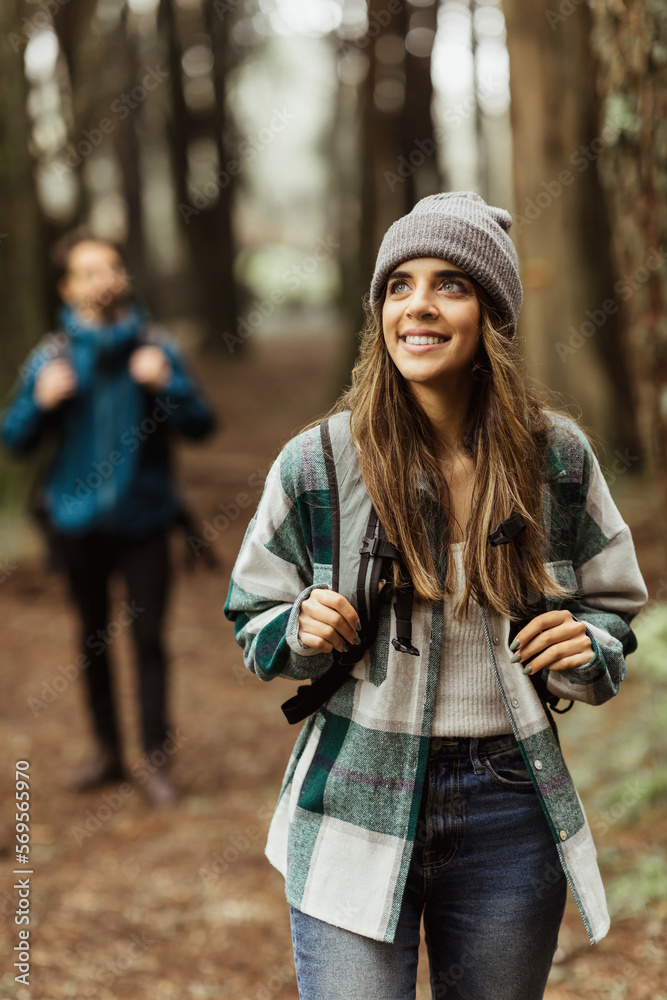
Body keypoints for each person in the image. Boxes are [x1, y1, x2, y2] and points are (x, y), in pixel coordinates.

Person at [224, 192, 647, 999]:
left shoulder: (554, 458)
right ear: (380, 308)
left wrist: (585, 646)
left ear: (490, 313)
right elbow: (253, 616)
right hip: (351, 790)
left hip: (507, 806)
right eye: (399, 285)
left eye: (449, 284)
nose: (417, 305)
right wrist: (299, 628)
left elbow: (611, 607)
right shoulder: (317, 463)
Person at [2, 232, 216, 806]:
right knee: (91, 640)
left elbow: (201, 423)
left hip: (146, 521)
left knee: (148, 641)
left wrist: (166, 384)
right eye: (89, 270)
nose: (105, 278)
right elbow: (14, 438)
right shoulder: (51, 356)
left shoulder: (155, 346)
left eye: (112, 267)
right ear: (68, 287)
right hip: (75, 525)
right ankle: (107, 753)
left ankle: (154, 761)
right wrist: (39, 402)